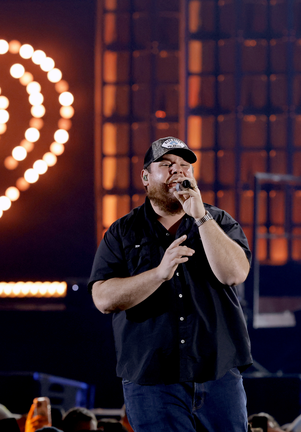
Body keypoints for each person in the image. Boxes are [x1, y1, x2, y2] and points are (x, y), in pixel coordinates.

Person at [88, 137, 253, 432]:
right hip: (152, 379)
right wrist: (158, 274)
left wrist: (201, 216)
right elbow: (102, 298)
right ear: (146, 177)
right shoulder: (122, 232)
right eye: (166, 165)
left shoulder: (219, 221)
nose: (177, 171)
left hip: (217, 373)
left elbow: (235, 274)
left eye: (184, 166)